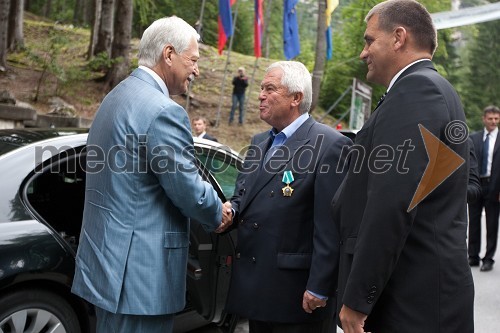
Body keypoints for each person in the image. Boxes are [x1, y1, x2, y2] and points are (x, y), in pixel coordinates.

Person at [71, 16, 232, 333]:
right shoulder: (164, 111)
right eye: (194, 60)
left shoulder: (115, 98)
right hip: (140, 280)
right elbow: (186, 187)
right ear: (169, 54)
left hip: (108, 271)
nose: (196, 71)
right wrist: (218, 212)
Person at [332, 1, 474, 332]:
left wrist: (357, 299)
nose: (363, 53)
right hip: (421, 294)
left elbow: (392, 202)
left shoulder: (416, 89)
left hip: (410, 299)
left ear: (398, 37)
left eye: (369, 40)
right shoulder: (431, 88)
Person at [226, 61, 352, 333]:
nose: (260, 95)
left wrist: (320, 286)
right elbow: (244, 195)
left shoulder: (330, 145)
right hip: (257, 289)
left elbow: (330, 227)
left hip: (298, 297)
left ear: (296, 98)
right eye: (261, 88)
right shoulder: (260, 142)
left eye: (270, 89)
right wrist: (232, 211)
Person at [468, 105, 500, 272]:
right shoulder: (474, 138)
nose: (493, 121)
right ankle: (472, 256)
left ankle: (488, 258)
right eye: (490, 118)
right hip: (476, 185)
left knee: (492, 223)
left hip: (494, 186)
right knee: (473, 222)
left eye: (496, 118)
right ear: (484, 119)